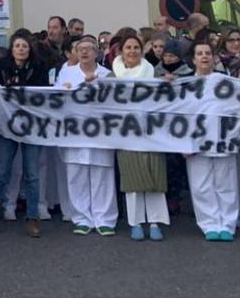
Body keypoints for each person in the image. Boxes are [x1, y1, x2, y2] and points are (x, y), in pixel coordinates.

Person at [0, 32, 47, 238]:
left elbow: (45, 93)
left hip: (31, 126)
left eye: (24, 46)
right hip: (8, 126)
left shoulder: (38, 68)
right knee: (1, 172)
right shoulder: (3, 68)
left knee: (32, 174)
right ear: (12, 49)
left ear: (30, 50)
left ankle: (32, 217)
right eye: (17, 46)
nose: (21, 49)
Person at [56, 36, 117, 236]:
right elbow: (54, 100)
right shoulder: (66, 73)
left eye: (88, 49)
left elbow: (115, 101)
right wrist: (63, 91)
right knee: (76, 176)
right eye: (80, 49)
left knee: (102, 176)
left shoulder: (106, 74)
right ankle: (82, 219)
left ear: (96, 53)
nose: (84, 52)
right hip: (74, 133)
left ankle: (104, 219)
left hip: (100, 133)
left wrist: (97, 84)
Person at [113, 33, 169, 241]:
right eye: (128, 47)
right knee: (132, 177)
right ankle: (135, 222)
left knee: (154, 175)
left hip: (151, 132)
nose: (132, 51)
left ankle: (155, 221)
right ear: (121, 51)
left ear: (142, 50)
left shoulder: (154, 73)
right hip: (125, 133)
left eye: (136, 47)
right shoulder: (112, 76)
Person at [185, 40, 240, 241]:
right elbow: (177, 115)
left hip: (223, 139)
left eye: (207, 53)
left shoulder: (226, 82)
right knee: (201, 185)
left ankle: (227, 224)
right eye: (200, 53)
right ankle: (209, 224)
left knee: (226, 184)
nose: (204, 57)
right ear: (193, 59)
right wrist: (182, 142)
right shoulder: (185, 85)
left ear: (214, 57)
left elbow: (239, 107)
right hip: (196, 142)